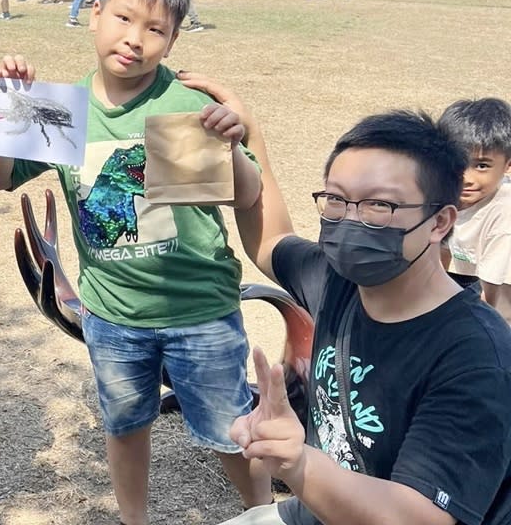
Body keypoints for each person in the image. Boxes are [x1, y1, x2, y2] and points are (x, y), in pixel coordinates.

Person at [0, 0, 273, 525]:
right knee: (126, 423)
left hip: (201, 311)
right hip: (112, 315)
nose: (134, 39)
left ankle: (261, 514)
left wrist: (235, 140)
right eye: (123, 18)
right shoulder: (61, 112)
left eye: (155, 28)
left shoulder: (188, 105)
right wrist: (4, 107)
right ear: (94, 13)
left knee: (231, 430)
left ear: (174, 37)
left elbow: (248, 194)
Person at [197, 82, 511, 525]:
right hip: (319, 508)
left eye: (380, 205)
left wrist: (298, 463)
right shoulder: (336, 279)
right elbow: (270, 240)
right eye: (337, 200)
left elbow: (419, 518)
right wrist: (249, 136)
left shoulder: (477, 356)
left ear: (440, 220)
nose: (351, 220)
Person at [439, 98, 511, 324]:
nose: (467, 178)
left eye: (482, 166)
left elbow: (490, 298)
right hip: (476, 288)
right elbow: (439, 257)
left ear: (508, 165)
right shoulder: (447, 195)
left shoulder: (504, 213)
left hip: (499, 302)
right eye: (459, 163)